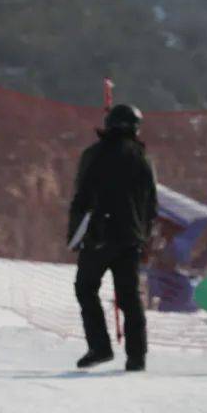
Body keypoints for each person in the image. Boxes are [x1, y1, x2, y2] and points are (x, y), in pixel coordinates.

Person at [68, 103, 157, 370]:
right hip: (130, 236)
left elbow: (80, 196)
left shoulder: (93, 154)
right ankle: (136, 356)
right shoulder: (142, 157)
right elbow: (151, 203)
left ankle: (100, 347)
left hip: (98, 234)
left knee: (86, 289)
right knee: (130, 297)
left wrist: (75, 236)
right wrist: (145, 236)